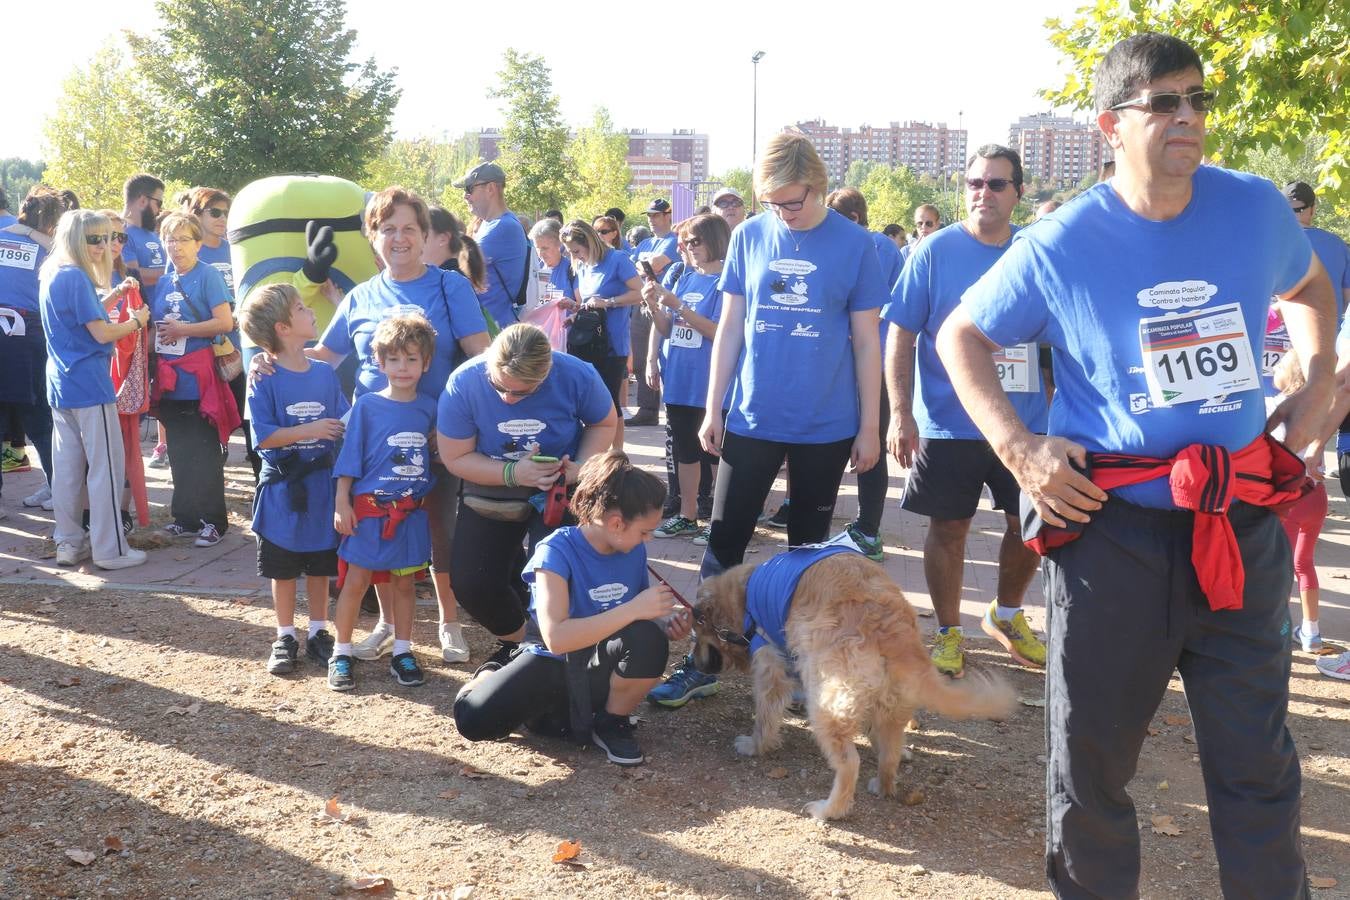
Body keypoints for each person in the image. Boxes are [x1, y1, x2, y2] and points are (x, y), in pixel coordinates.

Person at [938, 33, 1334, 897]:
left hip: (1240, 531)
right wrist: (1019, 446)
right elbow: (959, 334)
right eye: (1163, 102)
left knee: (1259, 767)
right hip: (1111, 541)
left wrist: (1319, 382)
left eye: (1196, 98)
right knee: (1092, 777)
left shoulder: (1255, 209)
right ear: (1110, 125)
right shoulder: (1060, 240)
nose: (1187, 116)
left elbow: (1309, 288)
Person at [650, 132, 885, 709]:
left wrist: (871, 425)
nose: (783, 212)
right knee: (724, 540)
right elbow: (730, 328)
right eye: (773, 202)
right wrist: (713, 406)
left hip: (826, 425)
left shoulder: (857, 245)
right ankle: (703, 661)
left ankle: (800, 670)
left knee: (806, 554)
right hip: (752, 418)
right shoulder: (752, 236)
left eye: (792, 201)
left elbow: (865, 344)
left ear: (818, 186)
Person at [302, 186, 489, 664]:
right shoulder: (362, 296)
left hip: (435, 438)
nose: (399, 238)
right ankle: (387, 625)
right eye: (388, 229)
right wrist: (272, 359)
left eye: (409, 228)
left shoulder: (451, 287)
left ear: (426, 236)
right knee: (381, 528)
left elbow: (479, 358)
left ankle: (448, 622)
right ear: (373, 236)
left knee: (437, 531)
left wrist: (455, 422)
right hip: (374, 442)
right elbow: (325, 356)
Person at [884, 145, 1049, 677]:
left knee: (1028, 524)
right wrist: (900, 413)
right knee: (948, 528)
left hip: (1023, 423)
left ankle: (1006, 614)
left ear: (1017, 193)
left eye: (997, 184)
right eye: (975, 183)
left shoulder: (1036, 249)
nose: (984, 193)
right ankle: (950, 632)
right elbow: (901, 333)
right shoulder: (932, 251)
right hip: (948, 422)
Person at [452, 450, 687, 766]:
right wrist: (635, 609)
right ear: (616, 523)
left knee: (649, 638)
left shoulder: (630, 549)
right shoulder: (555, 551)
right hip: (553, 664)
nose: (647, 541)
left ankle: (611, 722)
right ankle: (494, 671)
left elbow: (636, 621)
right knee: (474, 720)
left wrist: (665, 621)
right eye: (644, 532)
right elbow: (557, 639)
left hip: (596, 665)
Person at [436, 323, 617, 672]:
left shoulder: (577, 374)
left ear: (547, 373)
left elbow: (604, 423)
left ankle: (557, 650)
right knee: (473, 582)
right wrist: (512, 474)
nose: (508, 399)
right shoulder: (464, 382)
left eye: (523, 393)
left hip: (561, 485)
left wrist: (580, 467)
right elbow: (455, 457)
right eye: (500, 387)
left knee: (555, 578)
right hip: (490, 479)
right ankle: (520, 644)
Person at [239, 283, 348, 675]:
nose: (311, 312)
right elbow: (264, 437)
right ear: (284, 327)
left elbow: (343, 420)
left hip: (322, 487)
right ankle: (285, 635)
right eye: (302, 308)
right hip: (282, 490)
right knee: (282, 568)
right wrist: (313, 429)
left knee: (321, 565)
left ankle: (319, 632)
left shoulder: (323, 373)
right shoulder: (263, 378)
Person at [328, 314, 440, 691]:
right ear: (380, 362)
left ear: (426, 363)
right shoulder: (368, 406)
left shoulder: (431, 408)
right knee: (356, 582)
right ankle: (341, 652)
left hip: (410, 516)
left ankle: (403, 651)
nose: (403, 367)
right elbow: (350, 457)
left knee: (404, 585)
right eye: (394, 359)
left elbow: (439, 452)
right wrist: (342, 501)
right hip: (370, 511)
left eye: (412, 359)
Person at [38, 209, 149, 569]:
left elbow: (85, 317)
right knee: (106, 467)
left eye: (107, 238)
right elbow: (100, 332)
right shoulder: (75, 276)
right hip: (89, 383)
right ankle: (109, 549)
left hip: (61, 382)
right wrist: (135, 322)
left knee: (68, 469)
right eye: (94, 238)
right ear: (75, 239)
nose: (103, 245)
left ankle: (69, 543)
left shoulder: (53, 271)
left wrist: (115, 295)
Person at [150, 212, 238, 548]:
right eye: (169, 240)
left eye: (183, 239)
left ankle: (214, 521)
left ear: (198, 244)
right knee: (178, 450)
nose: (175, 247)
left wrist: (183, 330)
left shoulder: (208, 276)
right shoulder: (164, 280)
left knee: (205, 450)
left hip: (199, 377)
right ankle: (184, 518)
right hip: (170, 379)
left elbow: (225, 322)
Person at [827, 186, 903, 561]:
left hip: (873, 359)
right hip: (843, 359)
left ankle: (869, 527)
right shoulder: (864, 245)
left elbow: (891, 306)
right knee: (840, 442)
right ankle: (851, 524)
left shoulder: (877, 246)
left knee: (870, 444)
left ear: (853, 219)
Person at [644, 214, 730, 541]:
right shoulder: (686, 278)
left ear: (714, 240)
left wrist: (678, 306)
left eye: (695, 241)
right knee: (685, 450)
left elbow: (718, 331)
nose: (689, 248)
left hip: (709, 381)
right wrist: (654, 306)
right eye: (686, 243)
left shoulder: (726, 282)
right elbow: (666, 329)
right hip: (679, 379)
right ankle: (688, 514)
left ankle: (719, 521)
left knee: (715, 452)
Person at [1, 187, 64, 513]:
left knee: (34, 417)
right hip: (28, 333)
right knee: (39, 417)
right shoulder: (48, 246)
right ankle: (58, 486)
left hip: (20, 330)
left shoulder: (9, 234)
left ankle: (56, 485)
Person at [561, 219, 642, 450]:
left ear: (588, 242)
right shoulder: (584, 266)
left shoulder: (617, 260)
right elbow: (589, 302)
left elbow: (639, 293)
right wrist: (576, 311)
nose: (574, 256)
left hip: (612, 344)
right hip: (589, 343)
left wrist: (609, 302)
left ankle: (616, 456)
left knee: (610, 402)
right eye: (570, 252)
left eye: (576, 251)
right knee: (591, 402)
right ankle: (598, 454)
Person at [1268, 349, 1329, 653]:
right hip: (1316, 495)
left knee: (1281, 567)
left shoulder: (1278, 406)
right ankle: (1311, 632)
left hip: (1290, 495)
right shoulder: (1322, 407)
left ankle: (1277, 629)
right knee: (1304, 563)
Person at [628, 200, 679, 428]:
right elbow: (633, 269)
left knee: (664, 358)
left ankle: (672, 408)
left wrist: (644, 264)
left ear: (668, 215)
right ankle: (647, 409)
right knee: (641, 359)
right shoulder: (646, 242)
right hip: (642, 303)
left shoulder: (674, 240)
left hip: (663, 305)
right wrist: (644, 265)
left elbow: (655, 266)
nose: (651, 219)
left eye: (656, 215)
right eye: (649, 215)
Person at [457, 163, 528, 327]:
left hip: (493, 330)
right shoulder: (489, 224)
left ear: (490, 188)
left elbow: (457, 266)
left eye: (469, 189)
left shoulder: (504, 227)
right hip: (488, 326)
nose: (465, 196)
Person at [120, 174, 166, 290]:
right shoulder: (120, 233)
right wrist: (176, 271)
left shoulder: (152, 233)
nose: (160, 210)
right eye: (159, 203)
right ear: (143, 201)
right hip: (140, 307)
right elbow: (131, 276)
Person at [425, 206, 485, 292]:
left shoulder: (453, 284)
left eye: (424, 233)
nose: (416, 239)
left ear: (443, 239)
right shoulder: (440, 280)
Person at [529, 218, 575, 301]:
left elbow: (581, 305)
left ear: (559, 244)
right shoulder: (535, 270)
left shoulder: (572, 270)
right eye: (537, 248)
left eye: (545, 248)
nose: (541, 253)